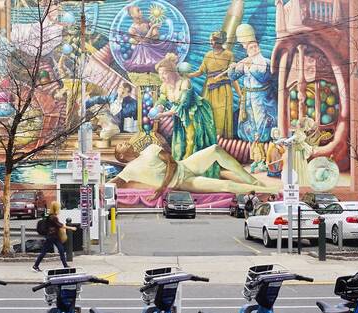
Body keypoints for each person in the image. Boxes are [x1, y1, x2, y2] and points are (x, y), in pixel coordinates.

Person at [112, 143, 276, 199]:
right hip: (183, 182)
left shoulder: (150, 148)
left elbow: (173, 163)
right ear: (120, 155)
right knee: (226, 185)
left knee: (215, 149)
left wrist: (161, 188)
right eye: (121, 145)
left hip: (186, 166)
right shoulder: (128, 170)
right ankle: (268, 190)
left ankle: (254, 182)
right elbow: (111, 184)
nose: (125, 143)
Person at [153, 53, 220, 179]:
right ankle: (182, 168)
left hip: (195, 115)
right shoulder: (165, 86)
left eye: (164, 73)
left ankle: (192, 169)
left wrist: (163, 114)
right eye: (160, 74)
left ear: (172, 71)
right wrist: (158, 108)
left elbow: (183, 104)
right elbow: (162, 100)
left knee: (193, 140)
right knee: (180, 143)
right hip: (181, 118)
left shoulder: (185, 83)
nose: (162, 77)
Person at [228, 24, 278, 173]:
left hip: (262, 99)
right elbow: (233, 77)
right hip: (248, 99)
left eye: (255, 47)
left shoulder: (265, 62)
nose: (253, 50)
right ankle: (256, 159)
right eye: (250, 48)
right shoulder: (245, 61)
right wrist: (233, 67)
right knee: (251, 129)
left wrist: (250, 66)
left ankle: (264, 159)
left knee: (262, 128)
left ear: (258, 47)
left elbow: (264, 78)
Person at [189, 31, 239, 138]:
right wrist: (187, 75)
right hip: (210, 90)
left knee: (222, 114)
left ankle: (221, 141)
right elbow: (200, 71)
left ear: (219, 41)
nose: (210, 42)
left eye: (213, 40)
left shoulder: (229, 55)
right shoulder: (208, 55)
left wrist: (240, 94)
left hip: (224, 90)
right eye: (210, 40)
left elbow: (232, 76)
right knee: (209, 113)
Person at [33, 201, 76, 272]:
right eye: (58, 207)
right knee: (45, 252)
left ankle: (65, 265)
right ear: (56, 208)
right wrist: (71, 228)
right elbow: (60, 225)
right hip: (51, 237)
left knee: (61, 250)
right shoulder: (53, 217)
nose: (59, 209)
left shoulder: (51, 216)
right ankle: (35, 265)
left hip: (54, 236)